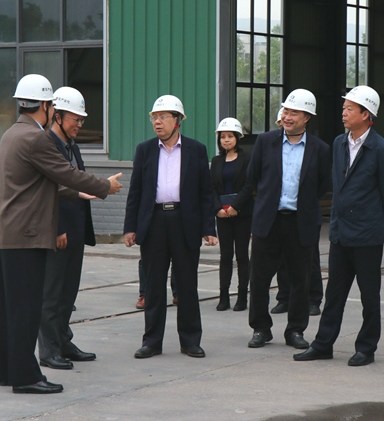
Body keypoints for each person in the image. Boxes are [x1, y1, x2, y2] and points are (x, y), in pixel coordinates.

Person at [0, 74, 122, 394]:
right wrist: (104, 186)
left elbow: (40, 183)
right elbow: (65, 173)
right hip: (26, 236)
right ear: (46, 106)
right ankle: (26, 378)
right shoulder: (36, 139)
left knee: (12, 311)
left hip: (9, 234)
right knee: (27, 310)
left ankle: (10, 371)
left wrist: (78, 194)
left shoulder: (11, 134)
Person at [294, 85, 384, 366]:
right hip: (340, 233)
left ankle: (366, 348)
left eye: (349, 109)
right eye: (344, 108)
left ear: (366, 114)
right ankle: (323, 344)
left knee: (369, 296)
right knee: (334, 294)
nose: (343, 112)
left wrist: (370, 220)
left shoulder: (381, 150)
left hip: (367, 236)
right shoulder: (340, 143)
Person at [124, 95, 218, 359]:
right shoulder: (145, 150)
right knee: (153, 285)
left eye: (163, 117)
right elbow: (136, 191)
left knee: (187, 284)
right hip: (154, 222)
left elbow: (205, 192)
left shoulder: (196, 150)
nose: (157, 122)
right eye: (154, 117)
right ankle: (152, 342)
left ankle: (190, 341)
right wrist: (130, 227)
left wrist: (208, 228)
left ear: (177, 121)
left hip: (184, 221)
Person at [246, 88, 331, 350]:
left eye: (294, 112)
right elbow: (253, 178)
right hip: (268, 221)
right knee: (259, 279)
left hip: (300, 222)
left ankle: (295, 330)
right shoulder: (265, 141)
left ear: (307, 118)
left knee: (300, 280)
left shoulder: (320, 149)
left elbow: (322, 185)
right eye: (286, 111)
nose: (287, 116)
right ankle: (261, 328)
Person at [37, 87, 99, 370]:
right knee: (51, 294)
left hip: (75, 230)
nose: (80, 124)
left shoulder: (71, 146)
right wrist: (58, 228)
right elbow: (48, 191)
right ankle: (49, 350)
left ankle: (63, 341)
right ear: (58, 116)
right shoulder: (46, 145)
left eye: (82, 119)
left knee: (68, 293)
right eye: (76, 118)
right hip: (58, 230)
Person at [271, 106, 324, 317]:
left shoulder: (317, 148)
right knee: (282, 260)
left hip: (304, 214)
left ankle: (313, 299)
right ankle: (284, 297)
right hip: (279, 214)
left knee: (309, 261)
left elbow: (322, 183)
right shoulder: (272, 145)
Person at [210, 118, 254, 311]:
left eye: (230, 136)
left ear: (237, 137)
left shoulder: (247, 159)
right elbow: (211, 187)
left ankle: (242, 296)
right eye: (223, 137)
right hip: (222, 214)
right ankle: (224, 296)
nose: (226, 140)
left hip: (242, 213)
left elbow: (249, 185)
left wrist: (236, 206)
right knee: (225, 256)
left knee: (242, 255)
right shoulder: (216, 161)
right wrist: (218, 208)